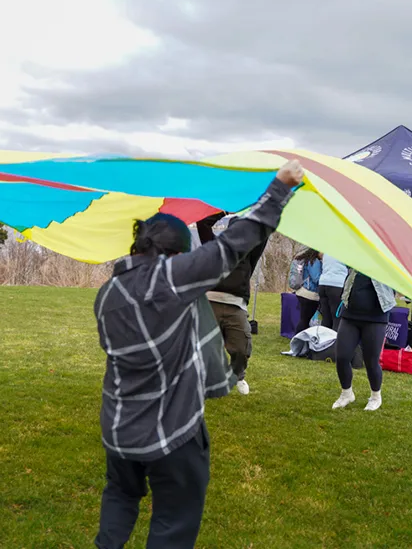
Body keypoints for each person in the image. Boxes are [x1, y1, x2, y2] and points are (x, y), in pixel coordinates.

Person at [93, 160, 303, 549]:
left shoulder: (108, 293)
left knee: (120, 498)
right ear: (174, 255)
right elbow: (233, 244)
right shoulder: (172, 277)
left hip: (119, 428)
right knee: (174, 521)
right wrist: (281, 188)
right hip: (172, 432)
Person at [196, 212, 268, 395]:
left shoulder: (250, 253)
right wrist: (226, 210)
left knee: (241, 348)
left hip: (236, 307)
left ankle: (237, 375)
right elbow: (203, 222)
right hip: (209, 304)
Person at [332, 269, 395, 411]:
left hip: (376, 317)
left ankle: (375, 397)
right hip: (350, 314)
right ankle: (346, 394)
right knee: (342, 357)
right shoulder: (357, 257)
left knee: (371, 361)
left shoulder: (385, 260)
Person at [292, 249, 322, 333]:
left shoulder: (306, 260)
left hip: (302, 292)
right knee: (304, 321)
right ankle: (298, 340)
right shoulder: (314, 261)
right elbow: (316, 278)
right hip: (310, 294)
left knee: (304, 319)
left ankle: (299, 339)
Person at [318, 254, 347, 331]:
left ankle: (323, 341)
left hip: (323, 283)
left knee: (326, 317)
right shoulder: (346, 251)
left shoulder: (328, 251)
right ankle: (334, 341)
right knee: (337, 317)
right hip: (337, 284)